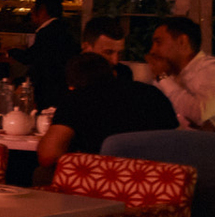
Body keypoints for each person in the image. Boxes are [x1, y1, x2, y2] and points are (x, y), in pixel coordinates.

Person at [37, 53, 179, 166]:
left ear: (71, 85)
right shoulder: (151, 93)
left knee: (42, 173)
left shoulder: (76, 100)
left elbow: (48, 155)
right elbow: (174, 140)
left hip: (103, 181)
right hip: (156, 180)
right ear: (113, 74)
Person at [148, 16, 215, 132]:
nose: (152, 50)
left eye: (158, 42)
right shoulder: (170, 74)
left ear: (182, 41)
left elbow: (198, 114)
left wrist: (162, 77)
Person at [12, 0, 76, 111]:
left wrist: (10, 52)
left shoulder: (47, 32)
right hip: (63, 84)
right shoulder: (64, 29)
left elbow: (31, 57)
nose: (31, 14)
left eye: (33, 9)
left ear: (42, 11)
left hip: (48, 87)